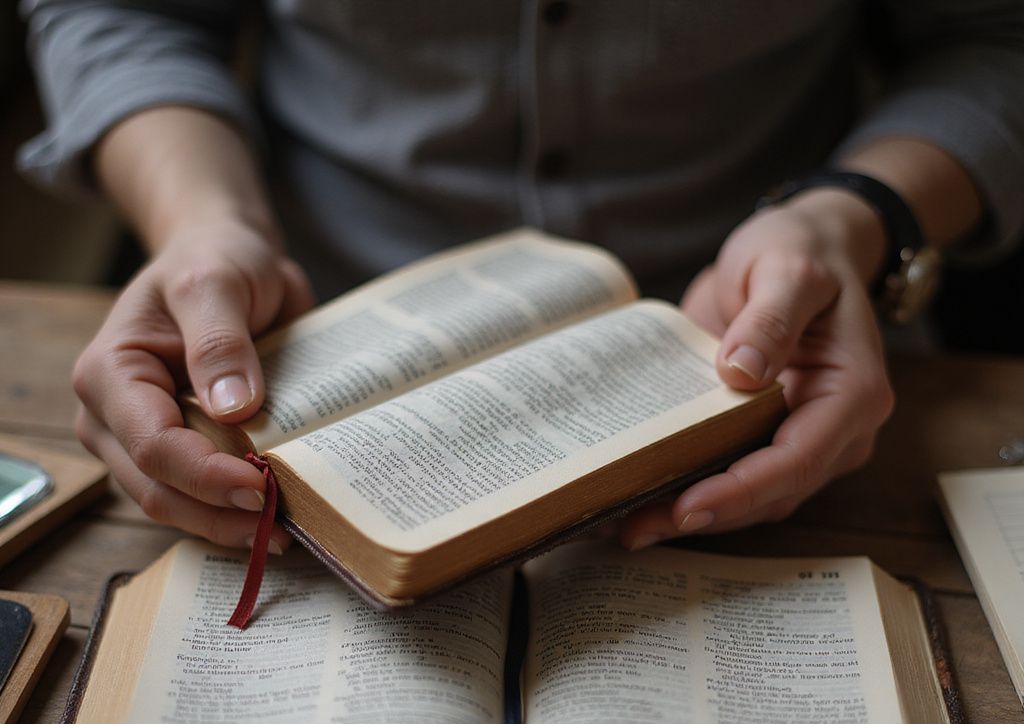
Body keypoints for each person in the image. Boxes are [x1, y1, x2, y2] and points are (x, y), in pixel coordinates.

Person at [19, 2, 1024, 555]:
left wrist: (851, 216)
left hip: (770, 345)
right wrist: (205, 223)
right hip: (311, 355)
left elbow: (990, 34)